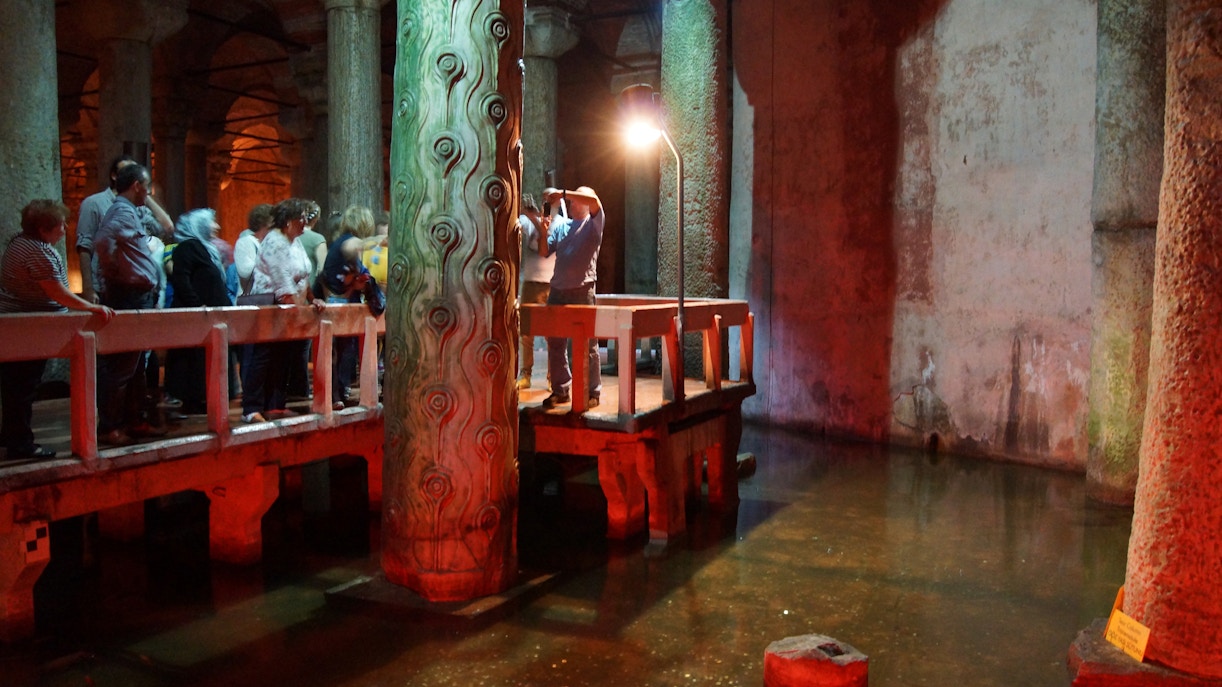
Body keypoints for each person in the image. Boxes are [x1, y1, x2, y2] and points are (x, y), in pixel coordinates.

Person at [0, 200, 114, 459]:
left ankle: (11, 433)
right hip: (30, 327)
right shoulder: (38, 252)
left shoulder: (18, 242)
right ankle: (21, 443)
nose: (65, 228)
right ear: (43, 229)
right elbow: (57, 292)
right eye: (61, 224)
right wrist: (90, 307)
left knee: (14, 384)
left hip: (18, 323)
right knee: (23, 385)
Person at [93, 164, 169, 445]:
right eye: (146, 187)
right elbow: (102, 242)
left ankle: (135, 420)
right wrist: (116, 275)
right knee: (123, 366)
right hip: (129, 295)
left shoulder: (130, 211)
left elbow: (166, 226)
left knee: (136, 365)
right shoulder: (122, 210)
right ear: (137, 185)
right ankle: (110, 426)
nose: (148, 193)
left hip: (136, 293)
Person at [240, 198, 326, 423]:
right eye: (301, 218)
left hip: (290, 306)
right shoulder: (275, 241)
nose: (304, 223)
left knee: (283, 356)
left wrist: (312, 300)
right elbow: (282, 280)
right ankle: (251, 408)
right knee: (263, 356)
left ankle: (276, 404)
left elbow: (303, 274)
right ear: (289, 221)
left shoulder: (295, 241)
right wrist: (298, 310)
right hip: (272, 305)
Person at [538, 186, 605, 410]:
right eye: (572, 200)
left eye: (578, 199)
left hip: (582, 288)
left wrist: (564, 193)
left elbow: (594, 197)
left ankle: (592, 390)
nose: (573, 203)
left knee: (588, 343)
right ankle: (560, 389)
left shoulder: (594, 224)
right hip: (558, 289)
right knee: (555, 342)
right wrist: (543, 230)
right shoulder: (563, 226)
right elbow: (544, 251)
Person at [313, 205, 384, 410]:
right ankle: (334, 395)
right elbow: (352, 247)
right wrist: (380, 240)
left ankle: (339, 393)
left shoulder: (347, 244)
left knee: (344, 352)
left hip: (345, 304)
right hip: (335, 305)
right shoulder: (347, 242)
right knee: (335, 353)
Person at [76, 155, 173, 304]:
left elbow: (167, 227)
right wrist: (89, 287)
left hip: (137, 291)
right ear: (114, 175)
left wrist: (143, 194)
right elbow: (88, 246)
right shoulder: (99, 205)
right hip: (121, 291)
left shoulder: (137, 208)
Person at [164, 209, 230, 414]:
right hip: (197, 317)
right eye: (211, 223)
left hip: (210, 316)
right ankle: (193, 402)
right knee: (192, 362)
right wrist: (197, 304)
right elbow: (181, 278)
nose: (216, 227)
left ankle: (203, 400)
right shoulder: (188, 247)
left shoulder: (205, 248)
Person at [517, 194, 555, 390]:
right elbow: (519, 224)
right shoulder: (528, 221)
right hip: (531, 283)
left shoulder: (560, 224)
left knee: (552, 334)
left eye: (551, 202)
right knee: (526, 332)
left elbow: (545, 246)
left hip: (551, 283)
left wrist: (537, 220)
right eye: (545, 201)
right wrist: (529, 215)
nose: (547, 205)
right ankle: (526, 374)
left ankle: (552, 376)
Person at [234, 203, 274, 297]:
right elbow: (245, 271)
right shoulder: (245, 242)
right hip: (252, 299)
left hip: (271, 298)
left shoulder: (272, 243)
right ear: (265, 222)